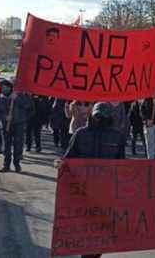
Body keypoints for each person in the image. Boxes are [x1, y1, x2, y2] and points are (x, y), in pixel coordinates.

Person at [63, 102, 126, 258]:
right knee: (85, 229)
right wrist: (62, 165)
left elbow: (122, 165)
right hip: (83, 191)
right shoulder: (81, 134)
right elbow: (69, 158)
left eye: (104, 116)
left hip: (105, 192)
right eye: (98, 116)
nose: (100, 119)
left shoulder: (117, 137)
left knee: (100, 230)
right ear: (92, 115)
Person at [1, 87, 34, 173]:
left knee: (18, 145)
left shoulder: (25, 96)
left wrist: (24, 119)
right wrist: (5, 117)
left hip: (19, 125)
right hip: (7, 125)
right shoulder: (4, 95)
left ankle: (17, 164)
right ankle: (6, 165)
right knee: (7, 146)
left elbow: (30, 108)